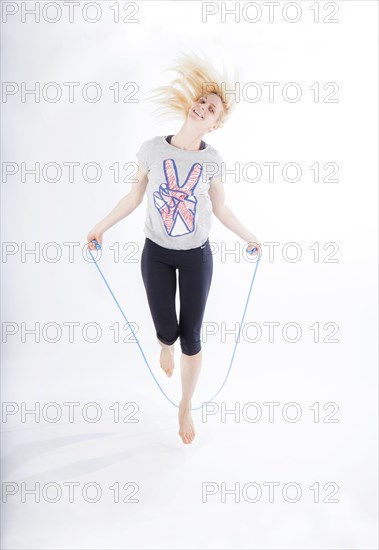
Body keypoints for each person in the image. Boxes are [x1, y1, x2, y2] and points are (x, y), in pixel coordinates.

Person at [87, 52, 261, 445]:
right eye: (202, 101)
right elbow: (134, 197)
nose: (204, 107)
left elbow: (221, 209)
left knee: (192, 338)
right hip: (157, 253)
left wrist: (250, 236)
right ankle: (163, 344)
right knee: (167, 330)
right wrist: (100, 227)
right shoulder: (152, 149)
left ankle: (185, 404)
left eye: (212, 109)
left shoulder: (212, 161)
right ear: (191, 105)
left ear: (215, 124)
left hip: (197, 256)